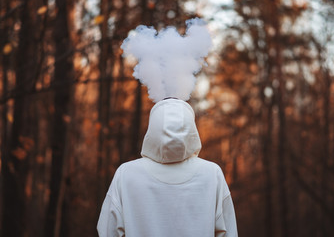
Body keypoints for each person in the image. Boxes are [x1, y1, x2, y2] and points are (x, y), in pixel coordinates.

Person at [97, 98, 238, 237]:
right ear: (191, 128)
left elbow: (107, 231)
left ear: (152, 127)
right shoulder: (212, 174)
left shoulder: (126, 174)